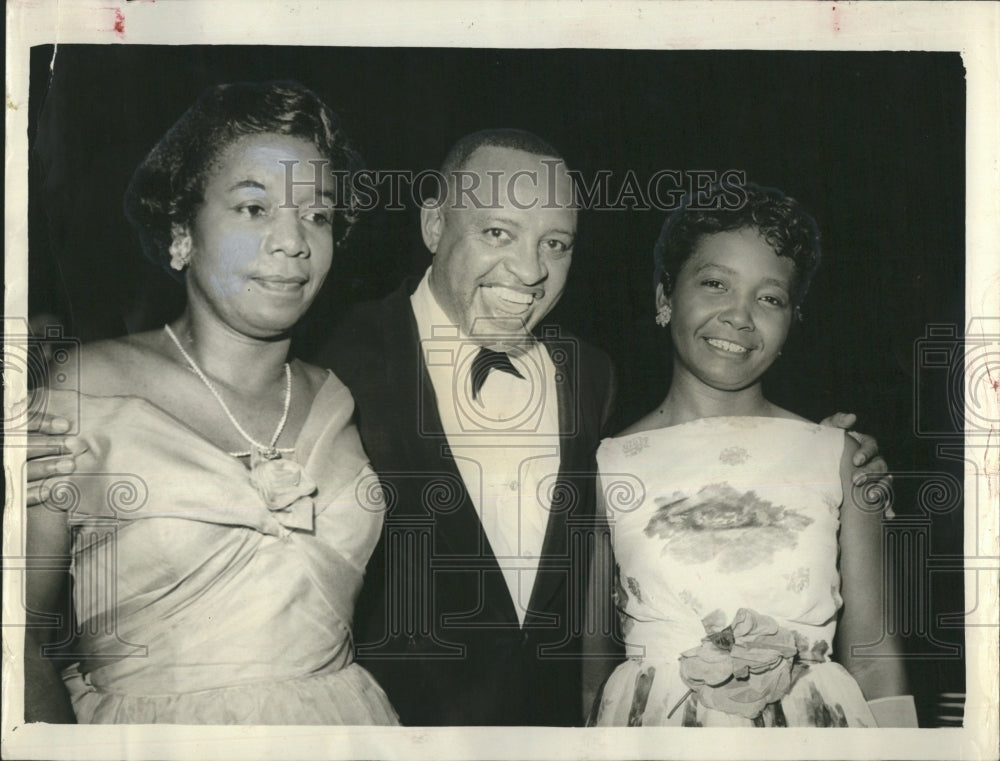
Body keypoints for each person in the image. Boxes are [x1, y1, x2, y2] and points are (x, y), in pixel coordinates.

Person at [315, 133, 889, 726]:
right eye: (498, 232)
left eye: (556, 243)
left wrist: (839, 463)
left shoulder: (588, 376)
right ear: (435, 224)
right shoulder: (330, 359)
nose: (531, 269)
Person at [24, 81, 398, 725]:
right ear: (181, 233)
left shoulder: (335, 396)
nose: (294, 242)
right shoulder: (85, 389)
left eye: (317, 214)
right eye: (254, 208)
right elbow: (13, 642)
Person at [588, 183, 915, 727]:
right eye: (715, 283)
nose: (740, 316)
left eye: (770, 298)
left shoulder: (839, 458)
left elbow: (877, 660)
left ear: (792, 321)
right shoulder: (608, 465)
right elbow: (592, 669)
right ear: (664, 298)